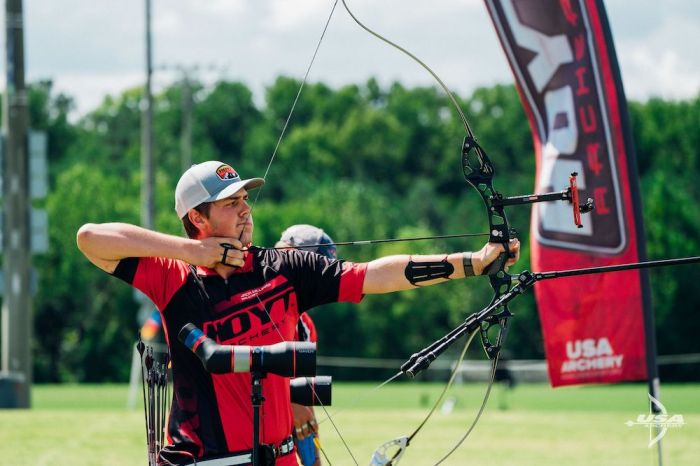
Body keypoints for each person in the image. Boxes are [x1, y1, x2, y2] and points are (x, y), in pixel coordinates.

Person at [76, 160, 520, 466]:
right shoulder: (173, 277)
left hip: (282, 455)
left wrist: (474, 262)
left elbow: (376, 275)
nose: (245, 209)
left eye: (245, 199)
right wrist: (194, 252)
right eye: (231, 203)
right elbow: (90, 237)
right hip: (205, 458)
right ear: (198, 216)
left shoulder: (284, 268)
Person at [276, 224, 337, 466]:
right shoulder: (252, 302)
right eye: (315, 270)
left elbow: (305, 408)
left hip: (281, 449)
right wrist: (291, 399)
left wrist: (315, 462)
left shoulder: (306, 326)